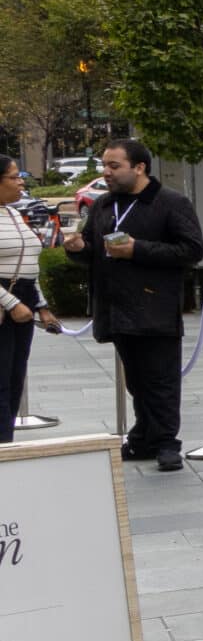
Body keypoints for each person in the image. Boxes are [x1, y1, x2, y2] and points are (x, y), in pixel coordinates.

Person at [59, 138, 203, 470]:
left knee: (161, 379)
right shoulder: (103, 206)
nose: (106, 173)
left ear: (139, 168)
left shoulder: (171, 203)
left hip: (155, 307)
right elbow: (95, 253)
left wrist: (137, 249)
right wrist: (78, 248)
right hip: (116, 308)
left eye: (114, 166)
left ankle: (167, 442)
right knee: (136, 379)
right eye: (104, 166)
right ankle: (144, 438)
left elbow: (192, 251)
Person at [0, 156, 66, 442]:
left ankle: (7, 443)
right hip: (6, 300)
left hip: (23, 297)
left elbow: (29, 264)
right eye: (13, 177)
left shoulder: (13, 213)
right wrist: (11, 304)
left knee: (15, 377)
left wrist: (41, 306)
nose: (20, 181)